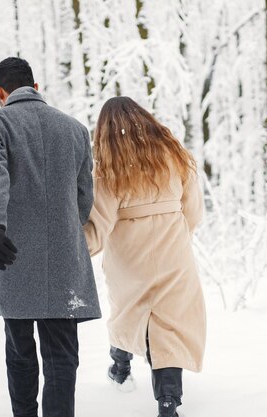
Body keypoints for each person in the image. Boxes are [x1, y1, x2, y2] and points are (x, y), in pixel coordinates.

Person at [0, 57, 101, 417]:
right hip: (63, 257)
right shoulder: (75, 129)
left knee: (20, 351)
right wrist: (61, 228)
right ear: (36, 87)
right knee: (62, 355)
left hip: (10, 254)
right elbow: (84, 197)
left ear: (0, 91)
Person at [84, 96, 207, 417]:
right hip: (174, 253)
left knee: (130, 313)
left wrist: (72, 249)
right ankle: (168, 403)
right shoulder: (175, 157)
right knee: (170, 325)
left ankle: (120, 367)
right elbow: (193, 212)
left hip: (129, 258)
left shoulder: (107, 170)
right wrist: (177, 237)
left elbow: (97, 229)